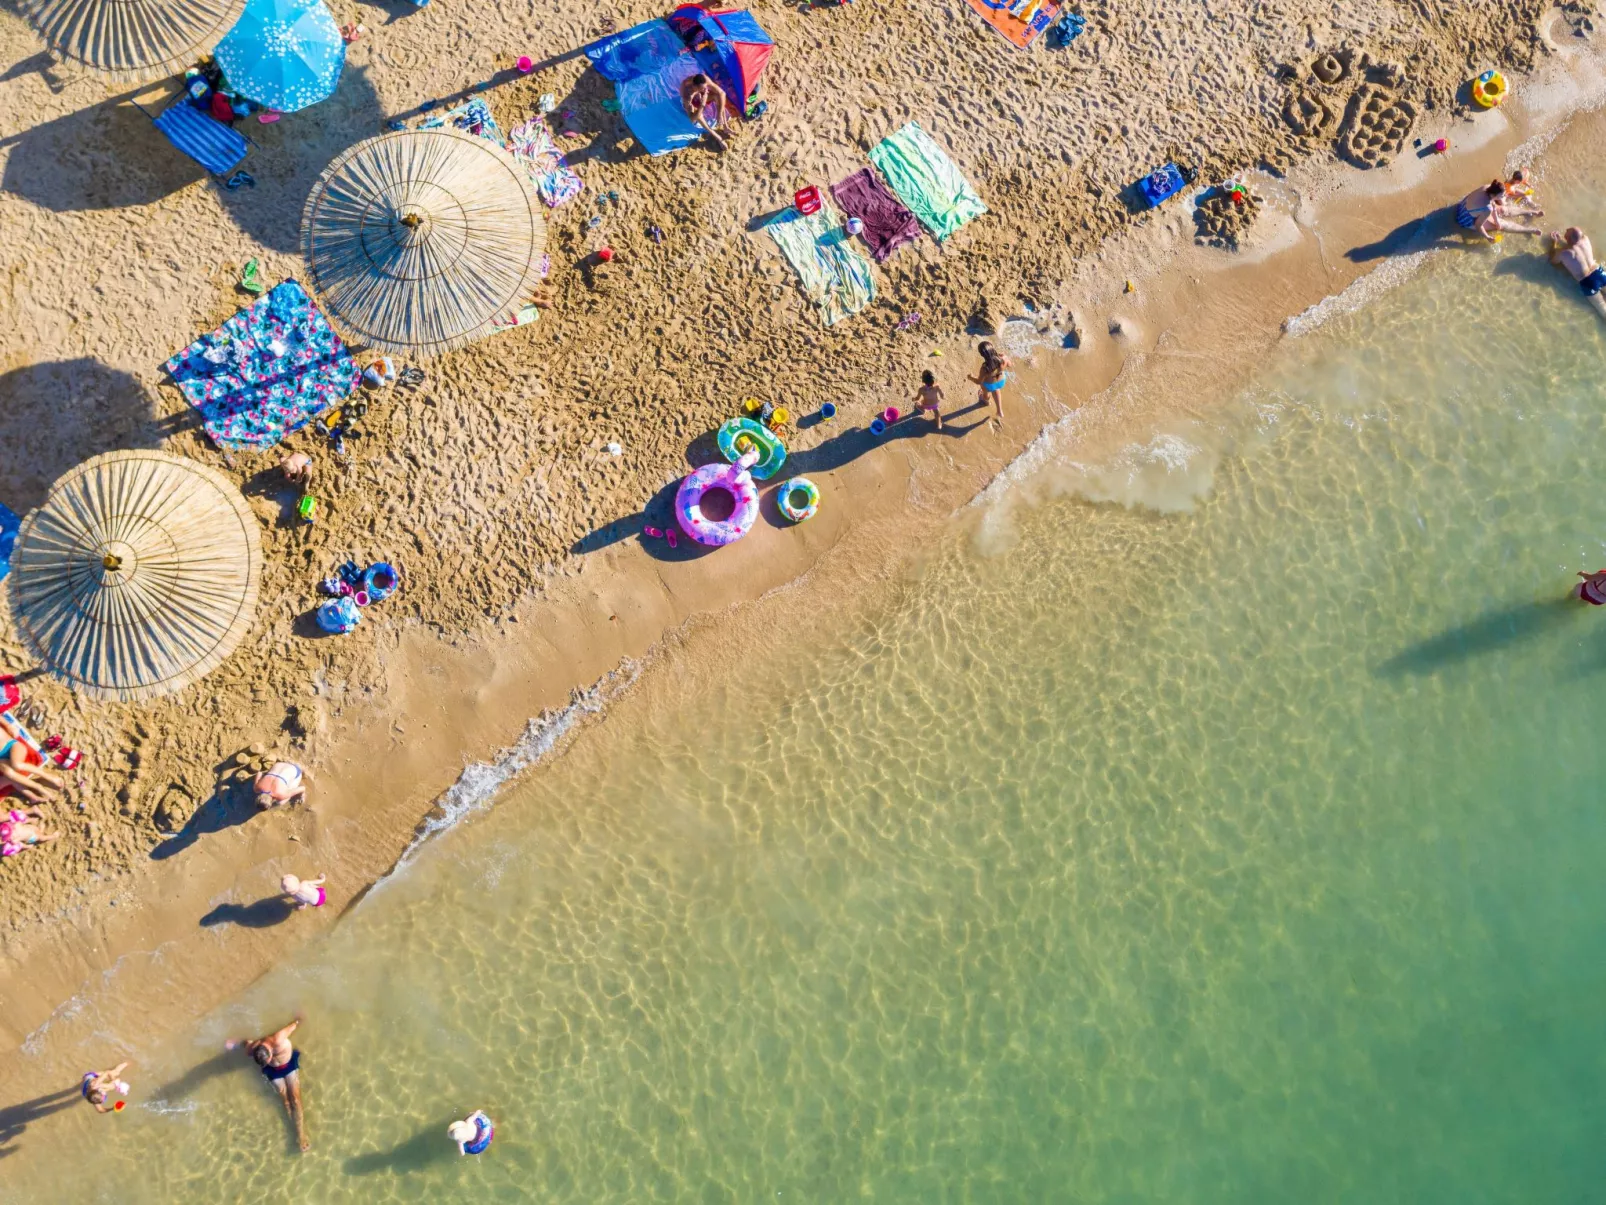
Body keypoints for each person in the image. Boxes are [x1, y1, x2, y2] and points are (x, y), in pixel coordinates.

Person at [228, 1017, 309, 1152]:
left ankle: (301, 1134)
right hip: (273, 1072)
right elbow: (246, 1044)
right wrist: (235, 1043)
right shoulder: (253, 1049)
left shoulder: (278, 1039)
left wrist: (299, 1019)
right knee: (286, 1102)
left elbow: (294, 1025)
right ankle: (292, 1130)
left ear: (270, 1053)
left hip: (289, 1065)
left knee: (295, 1099)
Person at [0, 714, 62, 803]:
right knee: (8, 773)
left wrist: (8, 725)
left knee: (16, 765)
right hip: (1, 758)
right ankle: (36, 791)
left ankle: (49, 777)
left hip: (11, 745)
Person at [1454, 180, 1541, 242]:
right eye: (1502, 195)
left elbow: (1491, 203)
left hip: (1465, 204)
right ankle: (1528, 230)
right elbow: (1478, 225)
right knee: (1501, 225)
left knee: (1502, 210)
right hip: (1466, 218)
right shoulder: (1487, 209)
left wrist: (1495, 211)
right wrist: (1488, 237)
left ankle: (1529, 212)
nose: (1504, 195)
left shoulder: (1487, 187)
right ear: (1494, 194)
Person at [1548, 226, 1606, 316]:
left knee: (1603, 309)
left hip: (1588, 282)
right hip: (1599, 273)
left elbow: (1553, 261)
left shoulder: (1564, 253)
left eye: (1567, 231)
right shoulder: (1586, 239)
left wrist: (1554, 243)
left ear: (1567, 238)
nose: (1566, 230)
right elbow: (1577, 238)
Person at [680, 73, 731, 150]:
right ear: (695, 87)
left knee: (717, 96)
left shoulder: (703, 79)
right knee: (699, 116)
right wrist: (702, 104)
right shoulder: (687, 94)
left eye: (705, 87)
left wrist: (719, 114)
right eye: (703, 88)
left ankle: (725, 127)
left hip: (699, 97)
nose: (705, 89)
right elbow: (692, 119)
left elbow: (722, 93)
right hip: (692, 102)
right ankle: (718, 137)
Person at [970, 342, 1010, 426]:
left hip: (989, 385)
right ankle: (999, 411)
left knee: (985, 391)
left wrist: (970, 377)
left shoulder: (985, 368)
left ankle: (985, 400)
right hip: (1001, 381)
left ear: (982, 355)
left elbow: (978, 381)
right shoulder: (1003, 358)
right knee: (996, 389)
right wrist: (1004, 358)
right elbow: (1009, 365)